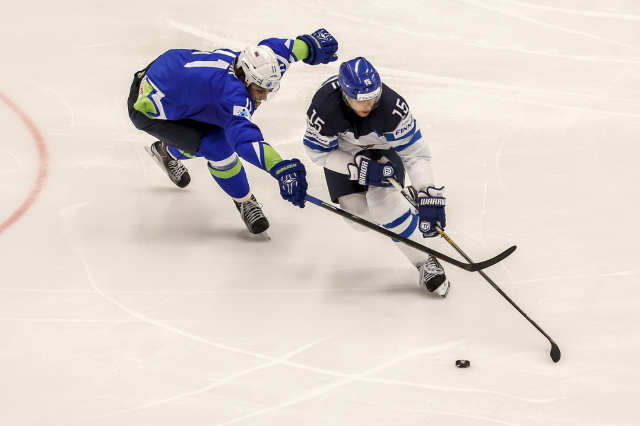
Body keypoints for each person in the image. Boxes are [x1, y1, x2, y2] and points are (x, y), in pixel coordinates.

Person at [127, 29, 339, 236]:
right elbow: (245, 141)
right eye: (259, 90)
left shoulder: (261, 66)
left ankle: (167, 152)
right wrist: (279, 167)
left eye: (269, 90)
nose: (263, 97)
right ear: (244, 78)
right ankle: (245, 201)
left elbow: (284, 48)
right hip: (149, 108)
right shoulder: (232, 97)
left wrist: (310, 46)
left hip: (174, 77)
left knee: (216, 130)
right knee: (219, 148)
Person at [303, 57, 450, 296]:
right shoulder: (324, 108)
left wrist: (425, 188)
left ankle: (424, 261)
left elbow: (415, 153)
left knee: (385, 206)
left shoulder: (392, 106)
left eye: (373, 97)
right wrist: (357, 166)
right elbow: (318, 154)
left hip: (383, 149)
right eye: (360, 101)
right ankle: (401, 209)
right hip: (343, 154)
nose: (368, 106)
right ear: (343, 93)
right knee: (359, 219)